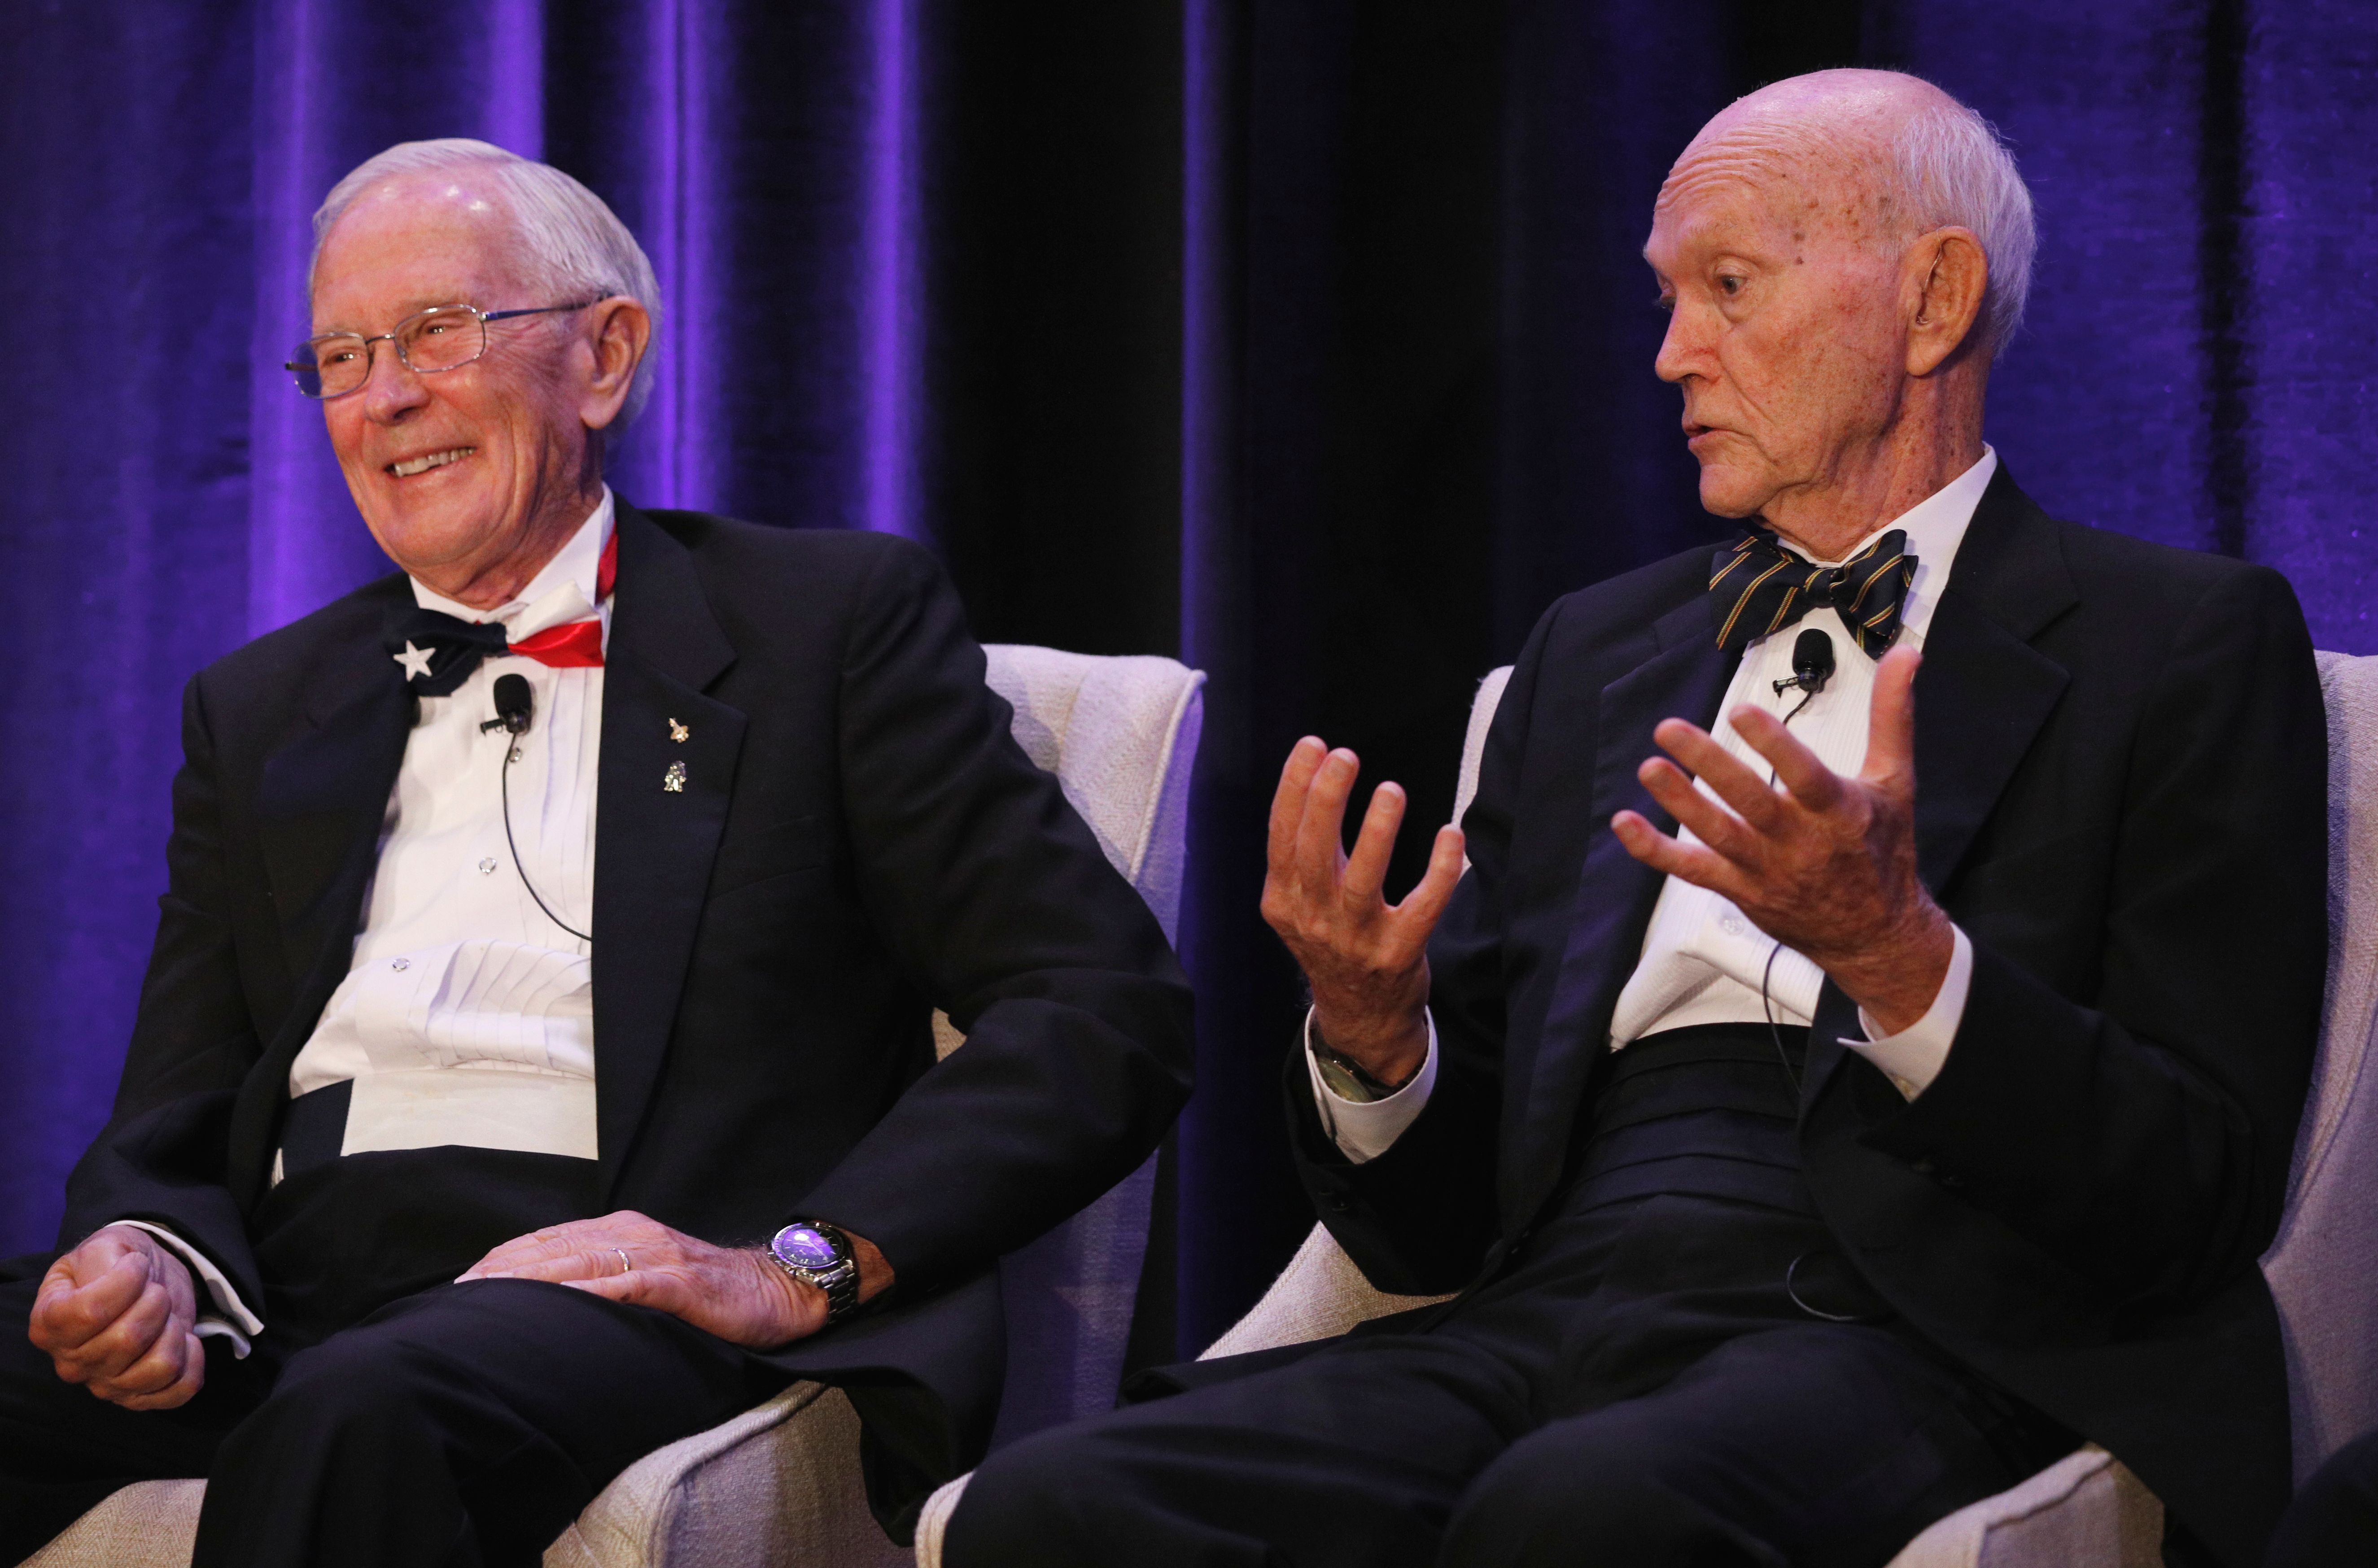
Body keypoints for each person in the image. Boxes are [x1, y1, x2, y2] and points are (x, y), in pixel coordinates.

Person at [948, 69, 2325, 1568]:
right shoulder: (1592, 654)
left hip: (1921, 1315)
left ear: (1931, 302)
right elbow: (1426, 1231)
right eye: (1665, 299)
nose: (1672, 354)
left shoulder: (2178, 641)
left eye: (1727, 288)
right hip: (1556, 1296)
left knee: (1586, 1513)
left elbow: (2194, 1186)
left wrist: (1897, 953)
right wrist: (1371, 1035)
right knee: (1055, 1508)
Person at [0, 139, 1193, 1567]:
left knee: (358, 1414)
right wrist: (139, 1247)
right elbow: (177, 1104)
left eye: (438, 331)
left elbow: (1096, 1005)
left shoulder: (825, 627)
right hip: (286, 1287)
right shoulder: (261, 707)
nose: (383, 398)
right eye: (339, 357)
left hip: (621, 1282)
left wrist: (798, 1265)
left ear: (605, 356)